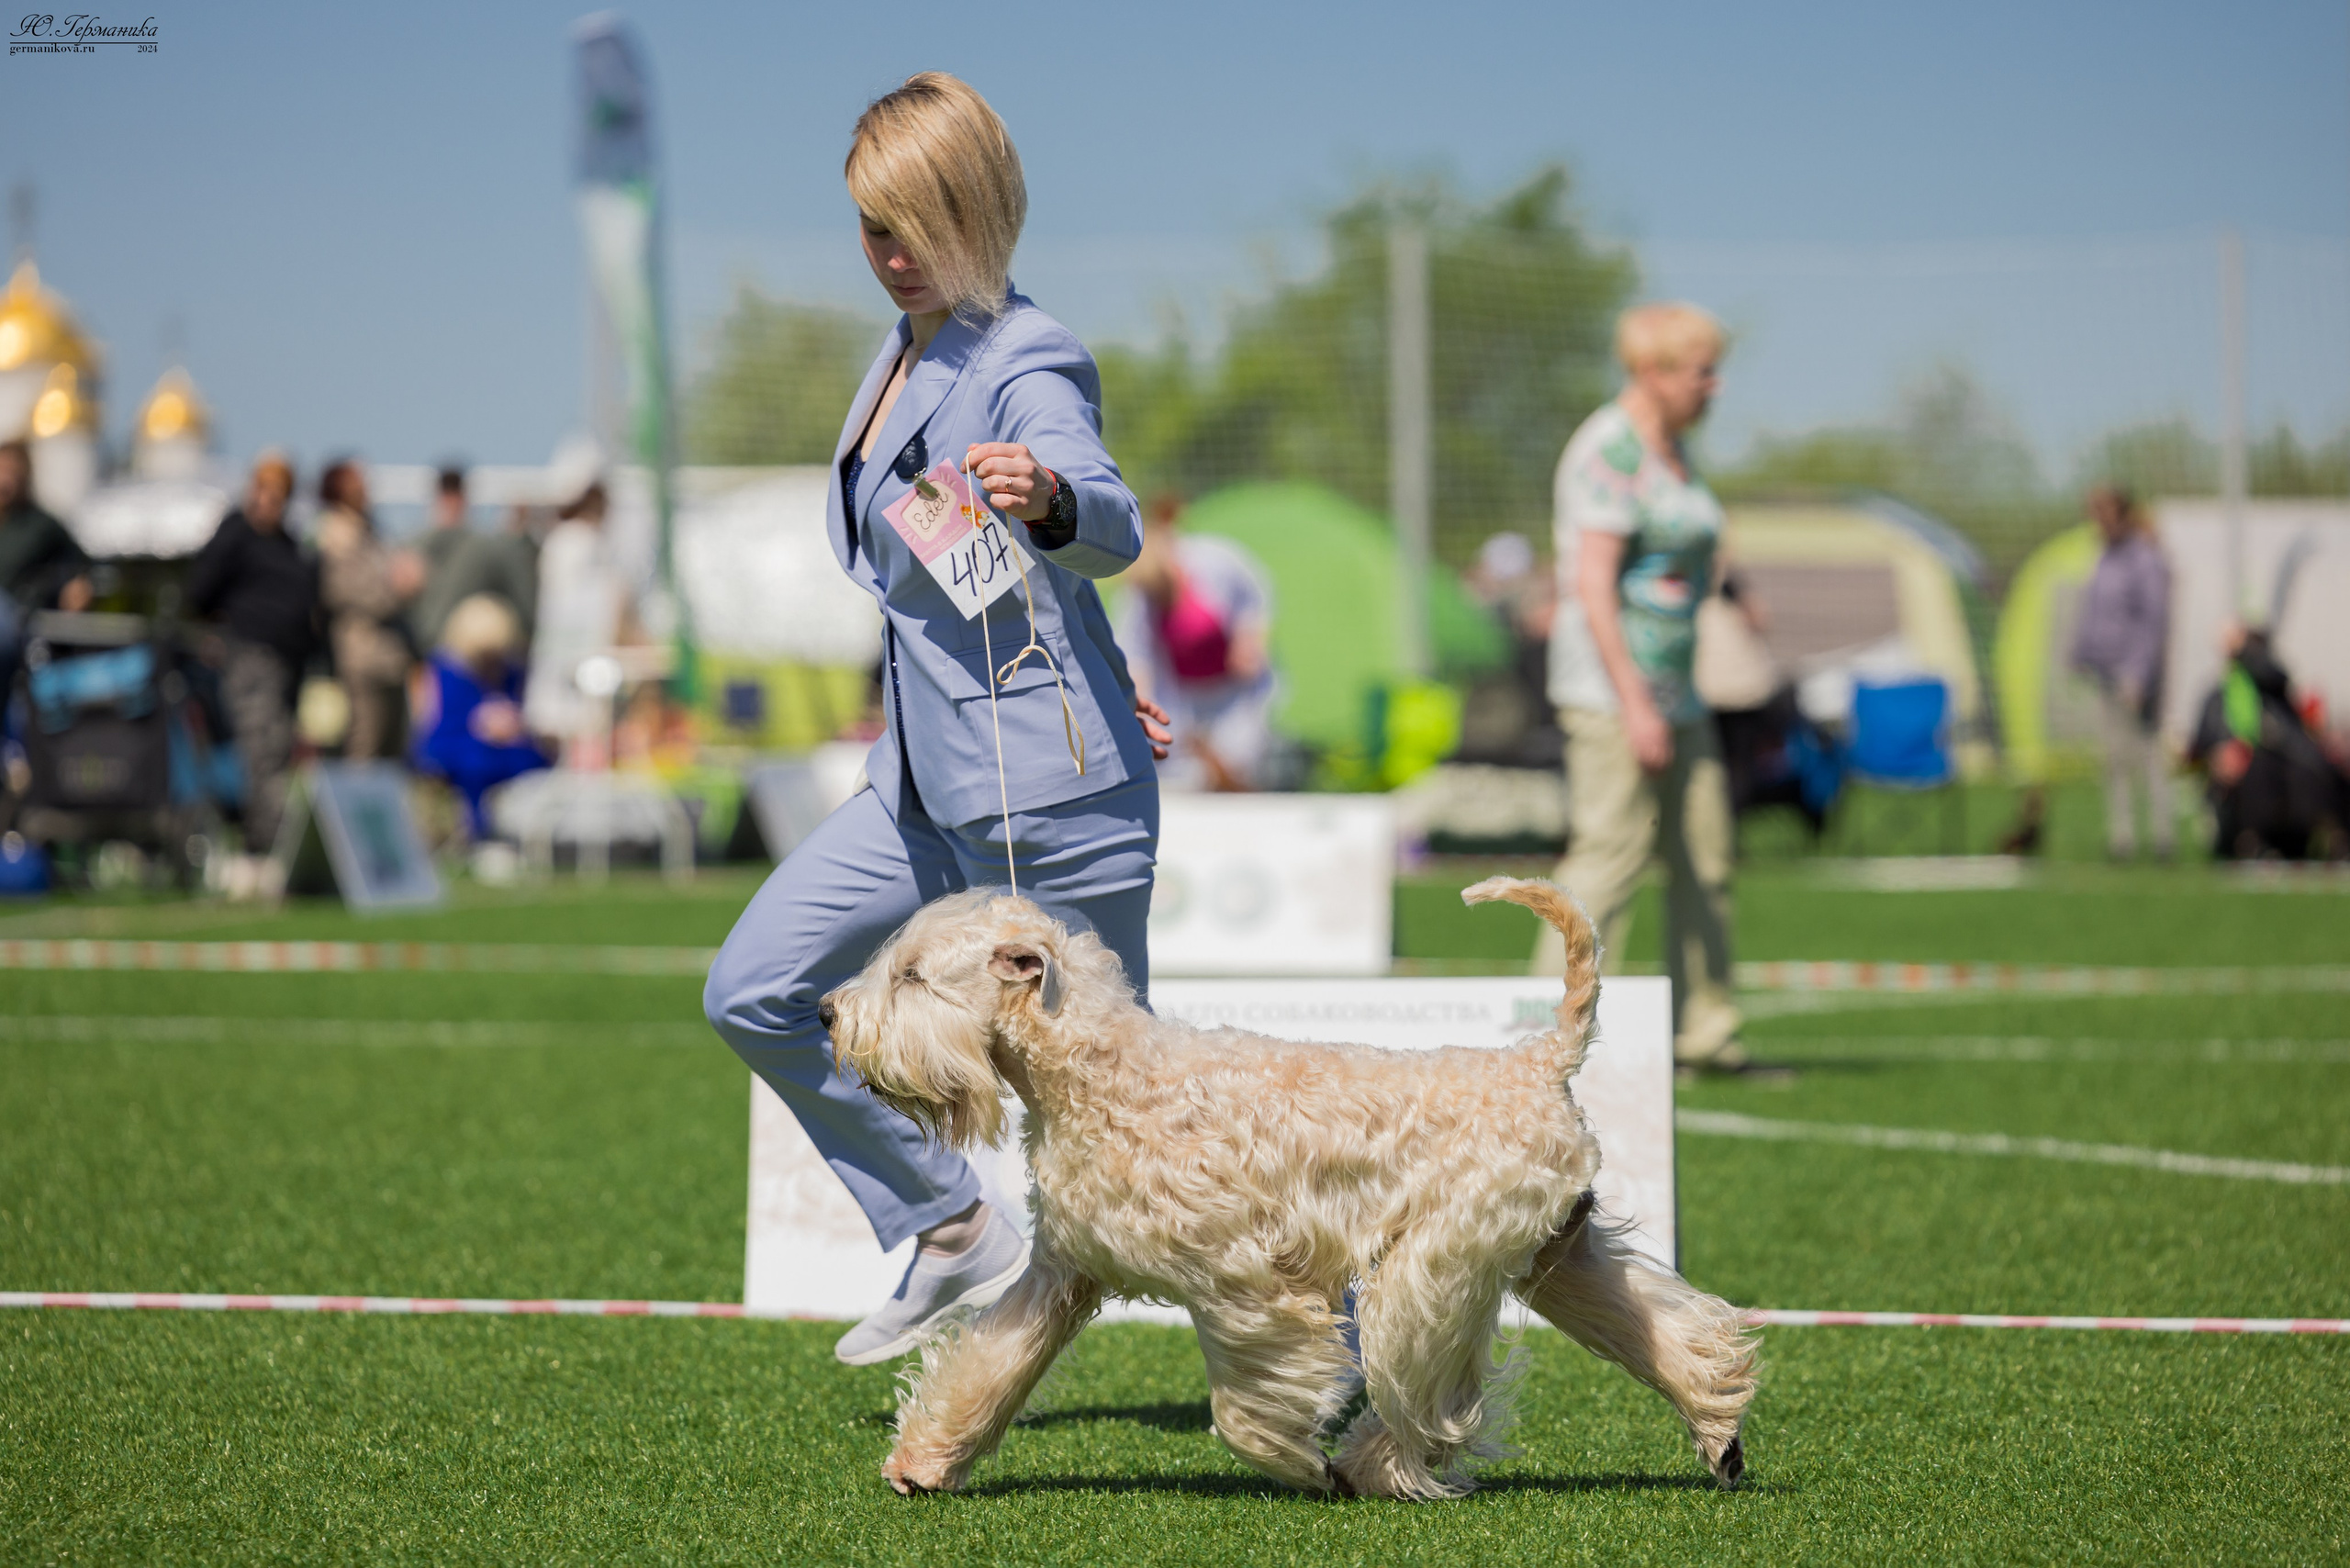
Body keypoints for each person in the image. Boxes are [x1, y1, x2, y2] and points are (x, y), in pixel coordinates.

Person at [701, 73, 1171, 1367]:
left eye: (915, 224)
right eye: (871, 227)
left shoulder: (1026, 354)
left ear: (981, 210)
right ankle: (948, 1221)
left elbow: (1105, 516)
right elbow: (965, 587)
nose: (892, 254)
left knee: (1129, 1124)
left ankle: (1337, 1335)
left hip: (1051, 802)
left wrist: (1053, 495)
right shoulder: (897, 352)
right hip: (914, 791)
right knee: (752, 988)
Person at [1536, 303, 1749, 1073]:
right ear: (1654, 372)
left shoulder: (1676, 450)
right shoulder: (1610, 449)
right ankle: (1552, 1042)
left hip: (1677, 691)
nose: (1714, 386)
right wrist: (1633, 703)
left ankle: (1707, 1034)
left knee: (1708, 859)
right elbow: (1593, 586)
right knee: (1609, 857)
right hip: (1610, 691)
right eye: (1702, 372)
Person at [185, 452, 317, 872]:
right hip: (249, 657)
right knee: (262, 751)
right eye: (265, 491)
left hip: (287, 663)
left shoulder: (288, 544)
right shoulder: (235, 535)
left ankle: (268, 843)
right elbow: (198, 591)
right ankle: (265, 846)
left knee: (278, 750)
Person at [1113, 496, 1275, 790]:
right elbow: (1136, 652)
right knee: (1185, 771)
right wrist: (1139, 706)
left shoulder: (1214, 561)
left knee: (1238, 764)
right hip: (1183, 696)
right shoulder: (1140, 595)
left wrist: (1249, 635)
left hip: (1234, 690)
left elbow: (1255, 594)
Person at [2068, 486, 2175, 860]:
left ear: (2122, 515)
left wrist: (2138, 674)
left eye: (2103, 513)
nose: (2097, 521)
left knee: (2146, 755)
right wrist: (2079, 653)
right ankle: (2122, 838)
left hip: (2135, 678)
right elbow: (2095, 613)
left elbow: (2152, 622)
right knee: (2113, 758)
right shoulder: (2104, 558)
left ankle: (2163, 837)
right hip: (2105, 674)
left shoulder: (2144, 560)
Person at [409, 592, 551, 840]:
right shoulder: (446, 670)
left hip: (506, 747)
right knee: (475, 763)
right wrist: (479, 723)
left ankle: (523, 832)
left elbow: (523, 713)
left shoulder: (512, 671)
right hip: (455, 743)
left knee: (535, 760)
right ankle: (478, 833)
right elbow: (436, 724)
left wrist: (513, 722)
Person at [313, 458, 421, 760]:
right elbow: (350, 591)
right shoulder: (334, 533)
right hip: (361, 658)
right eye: (355, 480)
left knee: (393, 750)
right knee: (365, 747)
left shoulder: (373, 531)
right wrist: (399, 586)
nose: (364, 487)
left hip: (390, 658)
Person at [520, 477, 628, 753]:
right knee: (585, 729)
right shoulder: (588, 543)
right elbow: (610, 601)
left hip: (559, 651)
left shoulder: (557, 541)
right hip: (584, 652)